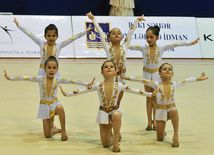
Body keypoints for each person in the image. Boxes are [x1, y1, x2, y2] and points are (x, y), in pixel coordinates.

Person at [59, 60, 157, 152]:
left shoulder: (119, 85)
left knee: (117, 115)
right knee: (105, 145)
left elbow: (135, 90)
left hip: (114, 111)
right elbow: (82, 90)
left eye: (111, 67)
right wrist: (67, 94)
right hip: (103, 112)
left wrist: (150, 94)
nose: (109, 68)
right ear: (102, 72)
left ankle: (115, 142)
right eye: (106, 67)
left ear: (115, 72)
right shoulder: (98, 85)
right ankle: (113, 136)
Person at [4, 56, 95, 141]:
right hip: (44, 105)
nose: (51, 70)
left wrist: (87, 84)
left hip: (54, 103)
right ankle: (54, 129)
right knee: (47, 136)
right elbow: (25, 77)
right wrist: (10, 78)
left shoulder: (58, 80)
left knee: (60, 108)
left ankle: (63, 131)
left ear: (57, 69)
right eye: (49, 68)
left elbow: (73, 81)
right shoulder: (40, 78)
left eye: (54, 68)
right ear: (45, 68)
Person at [129, 25, 200, 131]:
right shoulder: (143, 48)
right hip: (146, 75)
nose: (148, 39)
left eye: (151, 37)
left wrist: (190, 43)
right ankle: (149, 122)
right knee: (149, 98)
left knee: (156, 99)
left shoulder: (161, 48)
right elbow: (127, 46)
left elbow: (176, 44)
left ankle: (156, 122)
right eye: (147, 37)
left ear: (157, 37)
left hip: (158, 76)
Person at [120, 62, 208, 147]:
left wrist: (200, 78)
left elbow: (188, 80)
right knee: (160, 138)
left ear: (172, 74)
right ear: (159, 74)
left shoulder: (175, 84)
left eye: (169, 69)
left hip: (170, 111)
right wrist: (125, 77)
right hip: (160, 112)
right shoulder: (156, 84)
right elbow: (140, 79)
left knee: (174, 110)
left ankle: (176, 136)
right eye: (164, 69)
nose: (167, 70)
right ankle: (162, 131)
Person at [86, 11, 145, 108]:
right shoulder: (108, 47)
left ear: (122, 38)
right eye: (113, 33)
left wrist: (136, 21)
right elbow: (100, 32)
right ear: (109, 38)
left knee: (118, 100)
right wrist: (93, 19)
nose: (116, 34)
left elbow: (130, 32)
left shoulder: (125, 46)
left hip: (122, 76)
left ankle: (116, 111)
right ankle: (108, 112)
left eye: (118, 33)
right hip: (110, 76)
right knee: (110, 97)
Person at [13, 17, 92, 76]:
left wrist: (85, 31)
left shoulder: (59, 45)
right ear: (45, 36)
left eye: (53, 35)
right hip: (42, 70)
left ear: (57, 36)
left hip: (54, 71)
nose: (51, 38)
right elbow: (30, 34)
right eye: (49, 35)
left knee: (53, 91)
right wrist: (19, 25)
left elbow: (73, 38)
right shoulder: (41, 43)